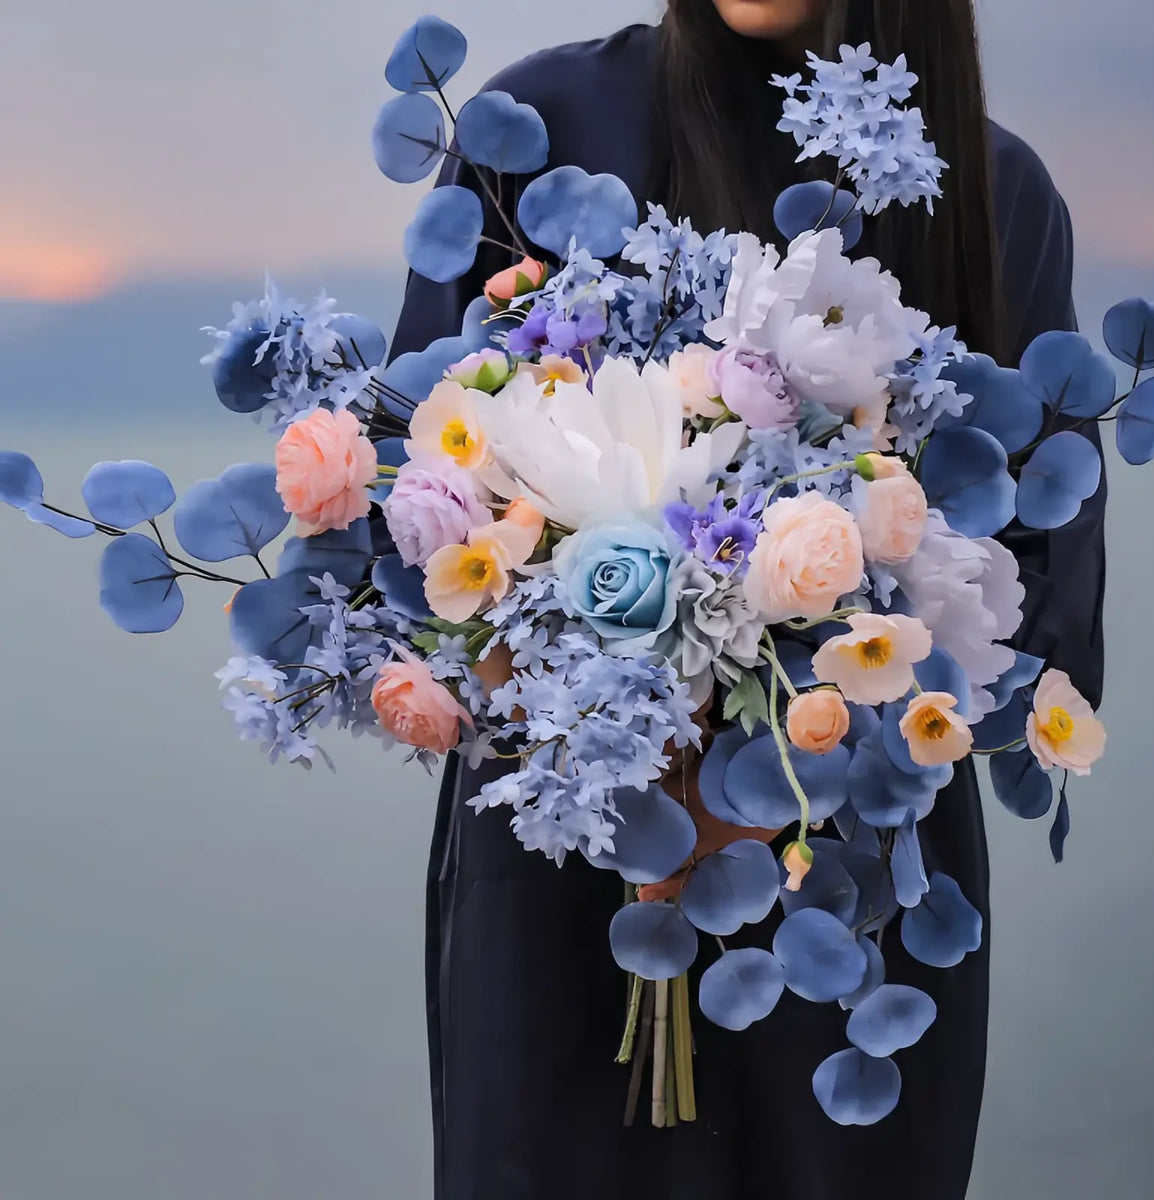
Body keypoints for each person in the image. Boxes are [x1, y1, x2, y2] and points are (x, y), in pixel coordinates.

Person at [387, 2, 1107, 1197]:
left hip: (847, 897)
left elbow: (1041, 624)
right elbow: (413, 511)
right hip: (571, 866)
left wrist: (773, 739)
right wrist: (636, 708)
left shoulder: (996, 191)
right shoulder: (538, 128)